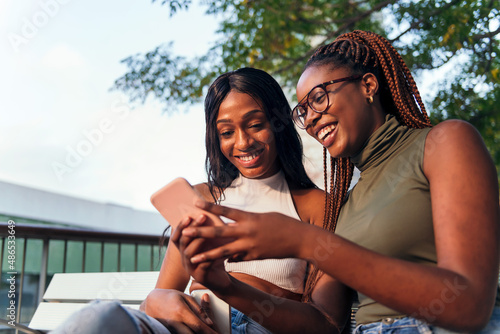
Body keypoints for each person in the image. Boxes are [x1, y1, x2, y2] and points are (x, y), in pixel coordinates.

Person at [175, 30, 500, 333]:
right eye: (303, 110)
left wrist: (304, 241)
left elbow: (468, 305)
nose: (311, 118)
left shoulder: (444, 143)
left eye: (318, 98)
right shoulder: (345, 205)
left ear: (368, 85)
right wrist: (226, 286)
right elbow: (326, 320)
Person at [52, 67, 347, 334]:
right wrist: (158, 301)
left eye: (256, 125)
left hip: (253, 328)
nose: (243, 143)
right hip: (183, 325)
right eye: (227, 132)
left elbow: (328, 325)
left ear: (278, 121)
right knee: (98, 317)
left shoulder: (318, 208)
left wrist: (229, 288)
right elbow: (159, 296)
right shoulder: (202, 198)